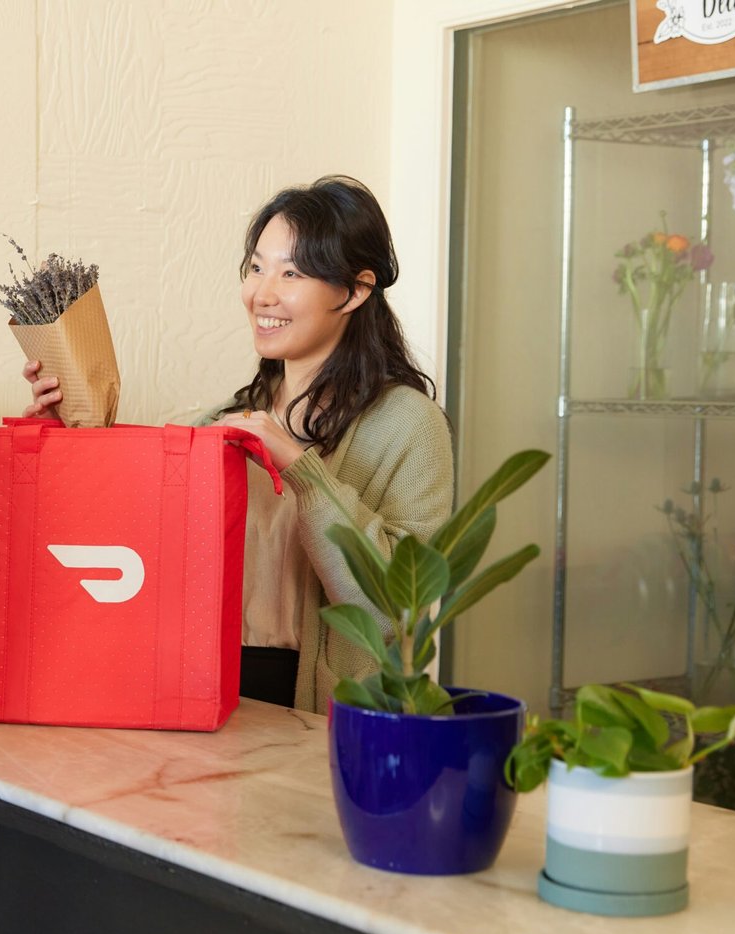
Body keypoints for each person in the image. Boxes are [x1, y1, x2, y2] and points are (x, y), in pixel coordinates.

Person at [24, 175, 453, 713]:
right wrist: (60, 440)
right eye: (256, 267)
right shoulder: (225, 421)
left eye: (291, 272)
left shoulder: (409, 425)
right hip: (207, 694)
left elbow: (396, 612)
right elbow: (129, 556)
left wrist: (301, 469)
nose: (261, 293)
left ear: (356, 290)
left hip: (325, 715)